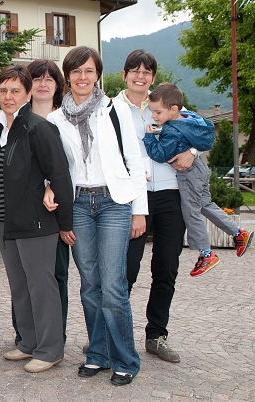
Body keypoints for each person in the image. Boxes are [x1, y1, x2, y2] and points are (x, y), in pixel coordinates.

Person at [47, 46, 147, 386]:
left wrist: (139, 211)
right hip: (78, 205)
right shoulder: (56, 119)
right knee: (90, 285)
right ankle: (99, 354)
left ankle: (125, 359)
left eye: (89, 71)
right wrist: (55, 201)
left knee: (114, 286)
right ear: (68, 76)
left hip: (114, 204)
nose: (82, 77)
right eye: (76, 71)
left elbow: (136, 162)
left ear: (97, 74)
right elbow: (56, 167)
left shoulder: (114, 109)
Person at [116, 49, 194, 364]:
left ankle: (156, 336)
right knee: (126, 269)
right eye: (134, 70)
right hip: (133, 197)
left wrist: (193, 153)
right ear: (124, 75)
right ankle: (113, 333)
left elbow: (199, 133)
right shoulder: (113, 108)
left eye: (146, 71)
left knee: (166, 267)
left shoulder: (164, 102)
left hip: (170, 195)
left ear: (152, 77)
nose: (140, 75)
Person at [0, 65, 73, 373]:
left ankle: (51, 348)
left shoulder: (39, 127)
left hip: (37, 222)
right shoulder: (2, 128)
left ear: (27, 94)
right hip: (6, 221)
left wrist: (65, 223)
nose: (8, 96)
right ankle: (28, 342)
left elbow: (60, 175)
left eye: (15, 90)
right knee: (20, 286)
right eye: (3, 90)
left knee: (41, 284)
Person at [143, 82, 253, 275]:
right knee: (205, 204)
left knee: (190, 210)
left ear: (173, 109)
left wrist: (150, 137)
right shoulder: (189, 118)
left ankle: (206, 253)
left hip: (189, 173)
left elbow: (160, 154)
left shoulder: (171, 131)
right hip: (200, 166)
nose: (154, 116)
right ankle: (238, 232)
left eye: (157, 112)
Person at [11, 58, 70, 347]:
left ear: (58, 85)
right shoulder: (12, 119)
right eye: (37, 78)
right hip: (25, 212)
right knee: (23, 276)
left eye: (50, 78)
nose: (43, 83)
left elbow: (68, 165)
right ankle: (26, 336)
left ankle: (54, 336)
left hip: (58, 208)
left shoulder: (68, 118)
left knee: (54, 274)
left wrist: (50, 186)